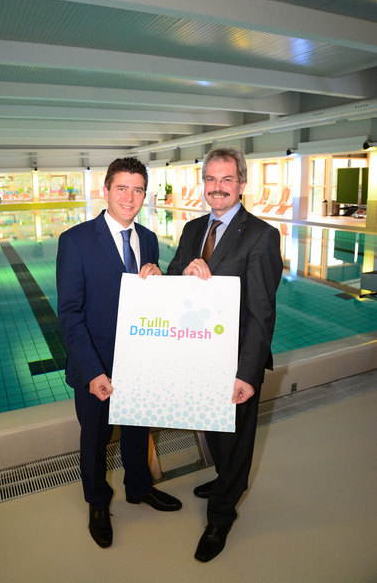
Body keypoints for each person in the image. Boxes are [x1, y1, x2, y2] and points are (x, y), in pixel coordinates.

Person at [56, 157, 181, 550]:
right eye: (122, 188)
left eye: (138, 189)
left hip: (139, 361)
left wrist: (160, 280)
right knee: (95, 439)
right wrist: (93, 371)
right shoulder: (75, 241)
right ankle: (97, 503)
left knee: (138, 430)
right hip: (95, 365)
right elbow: (70, 315)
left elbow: (152, 304)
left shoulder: (149, 238)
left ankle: (139, 488)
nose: (130, 197)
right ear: (105, 190)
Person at [167, 146, 282, 562]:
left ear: (242, 184)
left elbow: (261, 312)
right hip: (200, 356)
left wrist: (247, 374)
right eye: (211, 179)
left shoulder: (261, 236)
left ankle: (221, 516)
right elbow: (173, 276)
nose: (218, 187)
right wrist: (182, 271)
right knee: (213, 431)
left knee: (235, 441)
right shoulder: (193, 229)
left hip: (235, 361)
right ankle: (223, 479)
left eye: (227, 179)